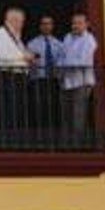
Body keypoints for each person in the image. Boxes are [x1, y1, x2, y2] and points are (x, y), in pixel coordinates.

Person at [0, 8, 36, 147]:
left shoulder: (14, 36)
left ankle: (17, 138)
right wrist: (24, 57)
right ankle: (9, 140)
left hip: (18, 77)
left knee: (18, 110)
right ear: (12, 20)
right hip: (7, 77)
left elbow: (18, 52)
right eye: (21, 21)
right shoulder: (0, 35)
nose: (22, 24)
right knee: (9, 110)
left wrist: (28, 57)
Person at [60, 13, 99, 147]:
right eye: (73, 23)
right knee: (66, 115)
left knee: (79, 115)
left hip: (82, 82)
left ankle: (78, 145)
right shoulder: (67, 38)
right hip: (67, 82)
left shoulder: (89, 40)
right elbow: (61, 56)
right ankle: (67, 144)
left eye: (79, 23)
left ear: (86, 24)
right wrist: (62, 67)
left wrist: (64, 65)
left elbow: (83, 61)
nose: (75, 25)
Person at [27, 15, 64, 143]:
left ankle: (54, 136)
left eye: (49, 24)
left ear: (52, 26)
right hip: (39, 80)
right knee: (39, 107)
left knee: (54, 107)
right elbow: (29, 62)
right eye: (43, 24)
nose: (46, 26)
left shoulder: (59, 44)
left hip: (54, 80)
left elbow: (62, 62)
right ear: (40, 26)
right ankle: (39, 136)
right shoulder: (32, 44)